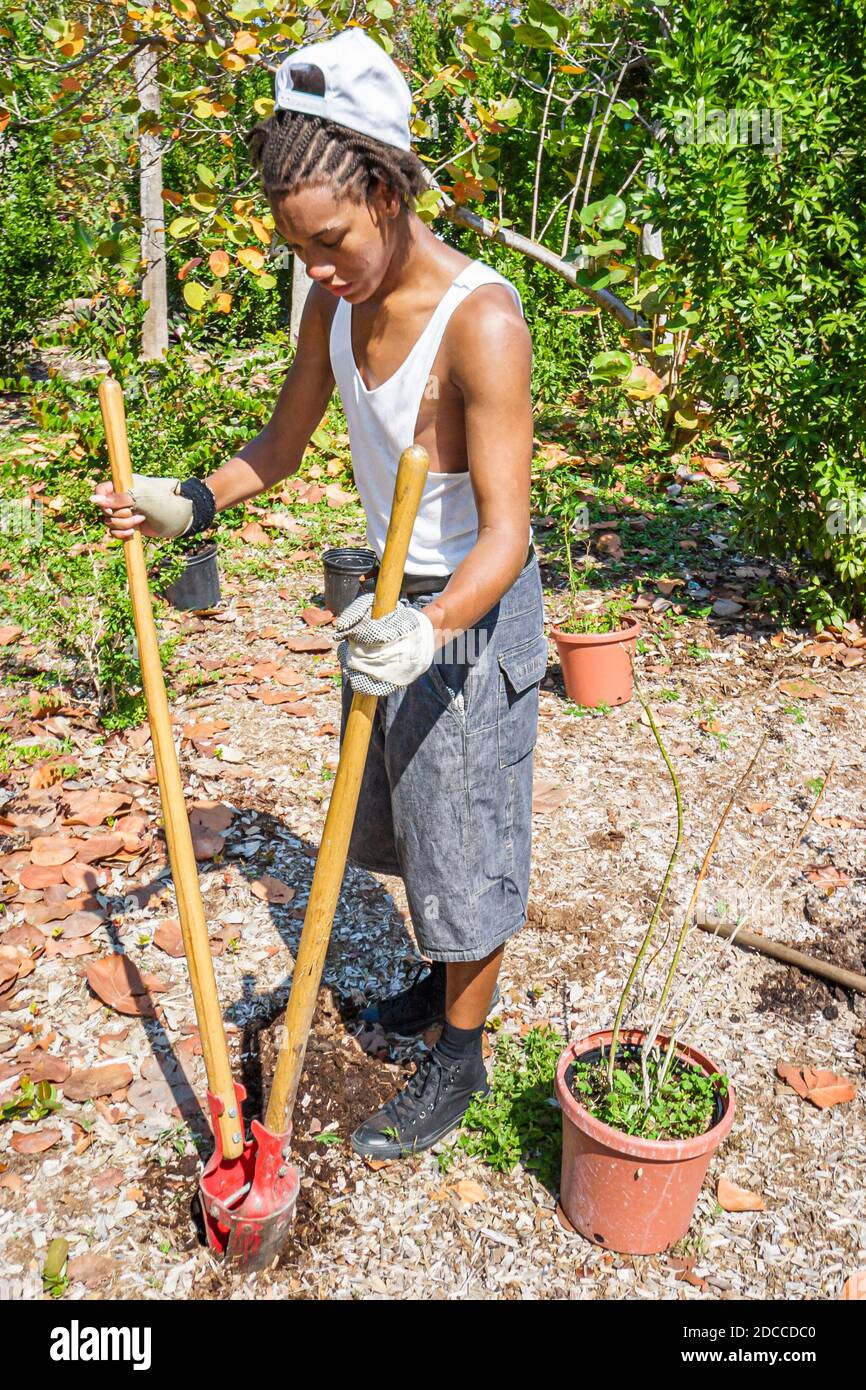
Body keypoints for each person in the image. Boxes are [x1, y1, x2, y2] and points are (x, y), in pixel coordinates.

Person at [91, 27, 547, 1160]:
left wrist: (426, 628)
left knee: (465, 837)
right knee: (404, 810)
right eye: (301, 248)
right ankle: (433, 998)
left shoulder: (480, 321)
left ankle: (461, 1055)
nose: (321, 268)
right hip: (388, 594)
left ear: (389, 189)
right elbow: (284, 446)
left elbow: (506, 535)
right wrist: (189, 500)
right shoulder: (333, 305)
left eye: (333, 240)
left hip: (464, 609)